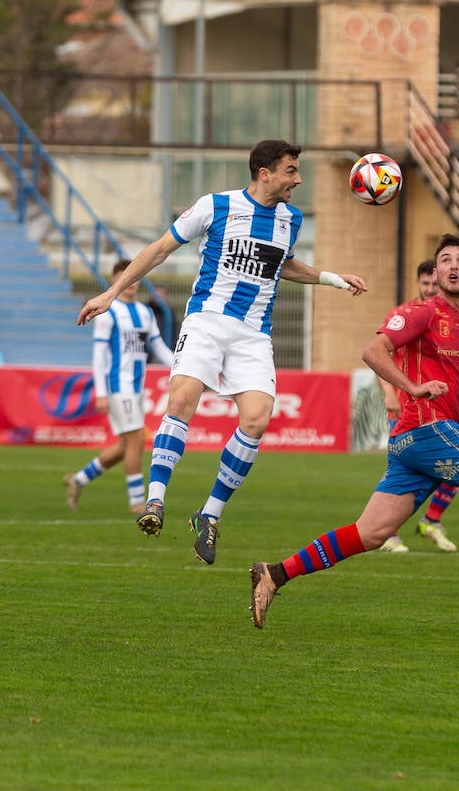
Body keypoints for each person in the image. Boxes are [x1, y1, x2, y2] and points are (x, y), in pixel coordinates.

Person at [249, 234, 459, 629]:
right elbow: (373, 351)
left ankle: (274, 573)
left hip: (412, 441)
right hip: (427, 427)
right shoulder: (422, 313)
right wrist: (412, 388)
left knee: (371, 534)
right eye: (445, 261)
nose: (453, 266)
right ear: (436, 273)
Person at [76, 139, 368, 563]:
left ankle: (209, 514)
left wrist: (334, 279)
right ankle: (155, 500)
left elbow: (283, 265)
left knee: (257, 418)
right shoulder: (215, 206)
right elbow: (160, 249)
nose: (298, 179)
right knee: (181, 398)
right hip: (207, 321)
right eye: (291, 170)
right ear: (264, 172)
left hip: (253, 334)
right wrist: (111, 293)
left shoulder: (291, 218)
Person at [63, 259, 175, 516]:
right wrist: (101, 393)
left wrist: (182, 369)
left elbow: (158, 348)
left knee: (127, 445)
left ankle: (78, 480)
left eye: (136, 275)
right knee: (136, 439)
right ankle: (137, 501)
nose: (132, 281)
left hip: (136, 387)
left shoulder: (146, 313)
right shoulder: (109, 312)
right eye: (126, 276)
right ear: (115, 280)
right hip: (117, 385)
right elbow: (99, 355)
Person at [378, 258, 459, 554]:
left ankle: (432, 520)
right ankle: (389, 533)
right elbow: (379, 357)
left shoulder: (452, 317)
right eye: (425, 284)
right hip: (407, 409)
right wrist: (389, 394)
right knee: (400, 475)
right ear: (419, 283)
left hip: (443, 409)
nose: (430, 289)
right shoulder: (404, 315)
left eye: (433, 284)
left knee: (458, 467)